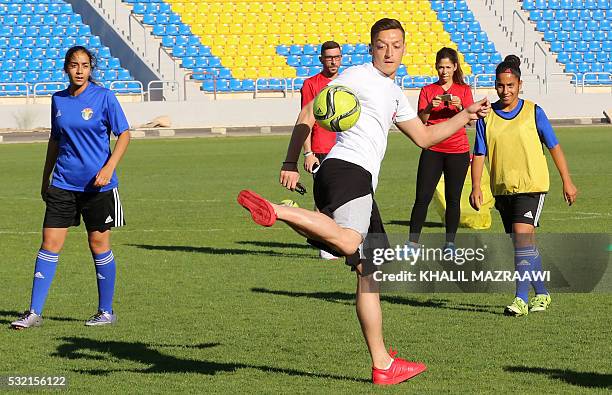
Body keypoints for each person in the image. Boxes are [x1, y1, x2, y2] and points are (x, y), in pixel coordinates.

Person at [238, 19, 491, 385]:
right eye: (382, 45)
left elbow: (423, 136)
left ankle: (383, 365)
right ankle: (281, 210)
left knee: (370, 272)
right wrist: (290, 161)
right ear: (371, 48)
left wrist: (465, 115)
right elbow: (308, 113)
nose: (390, 52)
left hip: (353, 179)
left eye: (396, 45)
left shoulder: (393, 93)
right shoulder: (356, 75)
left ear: (404, 49)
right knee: (349, 241)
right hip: (346, 170)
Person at [11, 46, 131, 329]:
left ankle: (105, 311)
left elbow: (124, 135)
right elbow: (55, 140)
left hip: (98, 188)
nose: (80, 70)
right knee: (49, 244)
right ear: (66, 68)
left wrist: (108, 167)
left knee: (98, 245)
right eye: (75, 65)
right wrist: (45, 178)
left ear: (91, 69)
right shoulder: (59, 100)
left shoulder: (104, 98)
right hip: (63, 184)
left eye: (85, 65)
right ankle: (33, 313)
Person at [469, 55, 577, 317]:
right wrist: (475, 186)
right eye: (500, 86)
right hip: (503, 189)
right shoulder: (487, 116)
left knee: (521, 239)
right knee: (523, 245)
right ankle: (543, 293)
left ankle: (520, 298)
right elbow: (479, 153)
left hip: (531, 185)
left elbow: (554, 146)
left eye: (510, 85)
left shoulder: (534, 112)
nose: (505, 91)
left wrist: (567, 180)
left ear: (519, 84)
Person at [408, 47, 474, 252]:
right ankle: (412, 243)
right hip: (433, 149)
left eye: (448, 67)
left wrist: (460, 106)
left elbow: (471, 121)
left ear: (455, 67)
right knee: (422, 198)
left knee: (453, 199)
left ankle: (450, 243)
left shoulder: (464, 90)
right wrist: (430, 107)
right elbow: (421, 121)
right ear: (436, 67)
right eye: (440, 67)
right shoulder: (428, 90)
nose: (444, 71)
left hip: (458, 151)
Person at [300, 40, 342, 260]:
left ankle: (338, 239)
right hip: (321, 148)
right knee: (323, 198)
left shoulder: (347, 82)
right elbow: (305, 120)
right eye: (329, 57)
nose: (333, 61)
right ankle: (324, 245)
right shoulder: (311, 84)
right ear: (321, 59)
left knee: (345, 196)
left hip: (345, 147)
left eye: (336, 57)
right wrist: (308, 152)